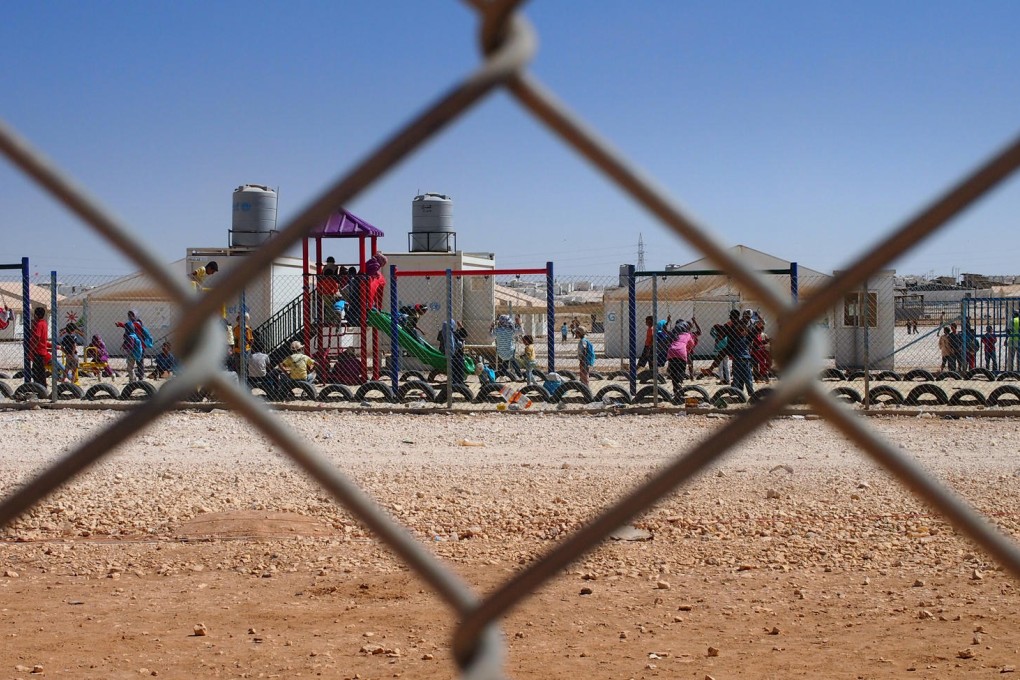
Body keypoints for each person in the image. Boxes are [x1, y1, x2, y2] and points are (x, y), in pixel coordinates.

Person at [666, 319, 700, 394]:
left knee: (673, 371)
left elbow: (668, 340)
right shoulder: (688, 335)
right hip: (681, 352)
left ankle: (675, 388)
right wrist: (687, 350)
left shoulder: (674, 333)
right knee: (681, 370)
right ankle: (679, 384)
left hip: (671, 352)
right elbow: (691, 344)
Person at [728, 311, 754, 395]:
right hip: (741, 359)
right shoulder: (738, 338)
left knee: (742, 378)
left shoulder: (744, 338)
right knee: (744, 378)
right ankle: (742, 393)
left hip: (742, 359)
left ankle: (741, 392)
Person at [490, 314, 523, 381]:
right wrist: (519, 324)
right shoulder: (510, 331)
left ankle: (501, 374)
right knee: (512, 358)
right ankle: (520, 375)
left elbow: (491, 337)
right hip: (510, 352)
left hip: (500, 353)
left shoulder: (497, 330)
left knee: (505, 362)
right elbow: (521, 332)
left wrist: (492, 328)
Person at [29, 307, 57, 385]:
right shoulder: (44, 323)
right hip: (42, 350)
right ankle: (42, 385)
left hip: (38, 350)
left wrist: (32, 348)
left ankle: (40, 385)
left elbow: (37, 337)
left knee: (36, 371)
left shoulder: (39, 324)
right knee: (40, 370)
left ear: (36, 315)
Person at [438, 320, 469, 384]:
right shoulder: (453, 333)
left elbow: (439, 340)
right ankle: (459, 382)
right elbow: (465, 335)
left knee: (454, 369)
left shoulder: (442, 333)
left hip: (448, 354)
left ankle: (455, 382)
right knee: (459, 368)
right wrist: (461, 327)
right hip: (457, 354)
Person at [750, 318, 772, 382]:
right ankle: (759, 377)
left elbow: (760, 342)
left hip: (759, 351)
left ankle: (762, 376)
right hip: (755, 351)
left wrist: (766, 341)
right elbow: (756, 343)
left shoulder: (760, 334)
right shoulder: (754, 333)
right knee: (757, 364)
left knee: (761, 363)